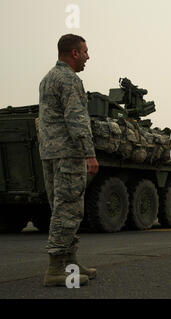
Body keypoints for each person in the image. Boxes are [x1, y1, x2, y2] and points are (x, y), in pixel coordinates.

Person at [39, 34, 99, 287]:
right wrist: (89, 153)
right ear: (73, 53)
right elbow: (77, 119)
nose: (88, 56)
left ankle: (71, 265)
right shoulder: (69, 79)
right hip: (68, 154)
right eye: (85, 51)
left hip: (51, 153)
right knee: (69, 210)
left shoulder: (48, 78)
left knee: (62, 208)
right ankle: (55, 270)